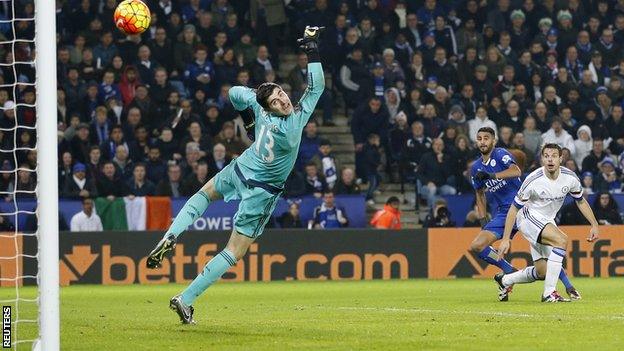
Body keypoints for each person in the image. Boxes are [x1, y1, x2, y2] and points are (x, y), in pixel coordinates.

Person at [145, 27, 325, 324]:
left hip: (242, 167)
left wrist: (251, 110)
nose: (283, 100)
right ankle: (185, 299)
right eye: (277, 100)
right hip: (262, 190)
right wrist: (311, 47)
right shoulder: (293, 124)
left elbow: (234, 93)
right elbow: (316, 88)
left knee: (203, 195)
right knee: (234, 251)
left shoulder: (260, 105)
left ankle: (171, 235)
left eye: (281, 94)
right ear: (273, 108)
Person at [470, 127, 579, 301]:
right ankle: (508, 271)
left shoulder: (500, 154)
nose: (483, 141)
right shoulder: (475, 168)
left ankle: (566, 286)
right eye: (479, 138)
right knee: (477, 245)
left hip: (525, 210)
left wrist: (492, 175)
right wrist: (483, 221)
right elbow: (479, 194)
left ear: (494, 140)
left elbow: (516, 171)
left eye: (486, 138)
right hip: (504, 214)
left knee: (549, 258)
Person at [496, 144, 600, 302]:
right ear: (542, 159)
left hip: (546, 221)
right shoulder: (533, 179)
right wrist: (505, 239)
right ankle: (549, 293)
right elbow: (513, 209)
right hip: (528, 218)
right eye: (546, 156)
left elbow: (580, 201)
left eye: (553, 156)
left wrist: (594, 224)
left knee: (542, 272)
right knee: (561, 240)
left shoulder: (570, 178)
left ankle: (505, 280)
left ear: (561, 158)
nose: (550, 159)